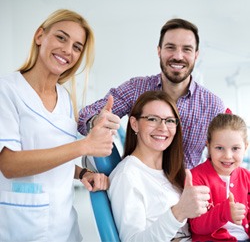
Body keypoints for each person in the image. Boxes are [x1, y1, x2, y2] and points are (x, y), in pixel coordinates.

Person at [0, 9, 117, 242]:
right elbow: (8, 164)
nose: (68, 50)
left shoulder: (65, 99)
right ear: (40, 36)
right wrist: (85, 146)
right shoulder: (7, 90)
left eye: (77, 47)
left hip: (65, 226)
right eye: (61, 38)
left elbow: (54, 157)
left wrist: (82, 172)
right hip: (21, 226)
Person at [77, 18, 226, 169]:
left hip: (185, 188)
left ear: (196, 54)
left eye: (186, 49)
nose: (178, 56)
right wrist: (95, 121)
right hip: (137, 184)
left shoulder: (213, 105)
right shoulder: (136, 88)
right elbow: (84, 116)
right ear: (159, 51)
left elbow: (222, 155)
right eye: (170, 47)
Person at [107, 91, 210, 241]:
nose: (163, 128)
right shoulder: (127, 175)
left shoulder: (171, 171)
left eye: (169, 121)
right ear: (134, 124)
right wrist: (178, 212)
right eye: (152, 119)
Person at [189, 113, 250, 241]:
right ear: (208, 146)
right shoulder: (196, 177)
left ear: (245, 147)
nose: (228, 155)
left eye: (235, 148)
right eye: (219, 148)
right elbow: (196, 226)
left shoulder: (246, 176)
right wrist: (225, 212)